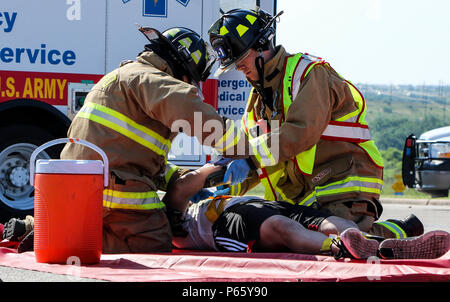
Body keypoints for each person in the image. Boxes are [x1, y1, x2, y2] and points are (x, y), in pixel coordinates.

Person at [207, 8, 424, 239]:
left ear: (261, 45)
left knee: (344, 239)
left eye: (241, 59)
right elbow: (256, 158)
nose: (239, 68)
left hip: (341, 184)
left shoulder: (308, 73)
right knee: (296, 239)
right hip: (303, 198)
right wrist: (221, 185)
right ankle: (390, 233)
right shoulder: (256, 103)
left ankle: (401, 232)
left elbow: (301, 133)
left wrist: (250, 159)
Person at [60, 26, 226, 254]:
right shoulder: (152, 80)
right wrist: (243, 146)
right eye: (190, 80)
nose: (188, 86)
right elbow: (193, 113)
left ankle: (53, 232)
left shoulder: (126, 76)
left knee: (100, 227)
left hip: (77, 186)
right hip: (113, 190)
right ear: (182, 68)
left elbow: (134, 154)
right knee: (155, 242)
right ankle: (71, 242)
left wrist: (179, 177)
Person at [163, 163, 450, 260]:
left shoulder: (158, 212)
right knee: (281, 228)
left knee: (322, 219)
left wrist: (229, 166)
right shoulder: (165, 229)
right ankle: (343, 247)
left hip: (243, 204)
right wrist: (215, 169)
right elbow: (180, 187)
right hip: (221, 224)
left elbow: (179, 187)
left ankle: (372, 245)